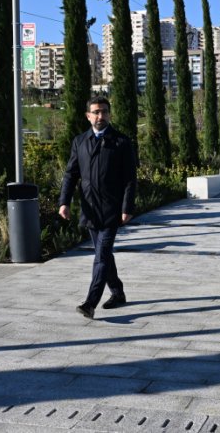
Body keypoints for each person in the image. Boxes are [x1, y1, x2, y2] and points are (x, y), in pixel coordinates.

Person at [59, 96, 137, 319]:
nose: (100, 116)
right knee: (104, 255)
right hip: (90, 210)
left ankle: (90, 303)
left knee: (101, 256)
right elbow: (71, 174)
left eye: (104, 112)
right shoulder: (80, 141)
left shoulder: (121, 142)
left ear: (109, 114)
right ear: (88, 116)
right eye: (96, 112)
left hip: (112, 210)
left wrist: (127, 207)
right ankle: (118, 292)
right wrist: (64, 202)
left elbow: (130, 179)